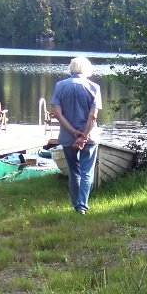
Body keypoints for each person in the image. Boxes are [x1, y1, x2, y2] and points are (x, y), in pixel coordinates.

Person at [50, 56, 102, 214]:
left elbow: (57, 113)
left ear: (71, 69)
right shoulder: (94, 87)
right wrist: (84, 136)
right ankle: (82, 207)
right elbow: (93, 116)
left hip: (67, 137)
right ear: (86, 69)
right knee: (87, 172)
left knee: (73, 171)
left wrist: (73, 132)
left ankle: (76, 206)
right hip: (90, 137)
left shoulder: (60, 86)